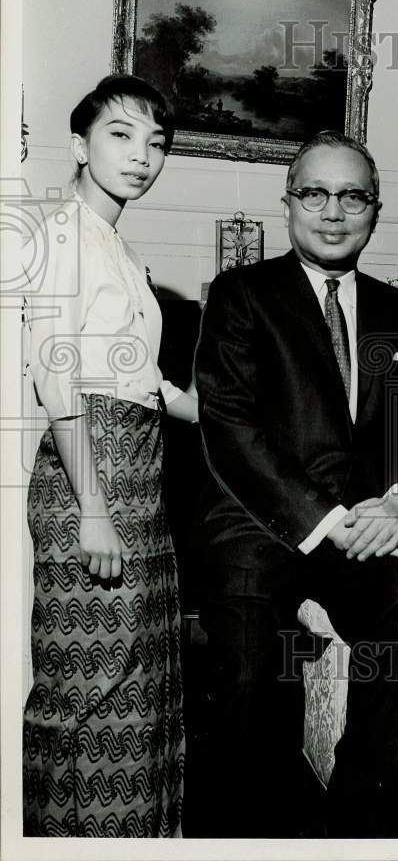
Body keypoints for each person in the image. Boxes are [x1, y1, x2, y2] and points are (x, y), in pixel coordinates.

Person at [193, 130, 398, 837]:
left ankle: (356, 830)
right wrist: (326, 518)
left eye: (351, 196)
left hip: (359, 534)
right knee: (246, 676)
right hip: (257, 524)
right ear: (289, 204)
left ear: (374, 209)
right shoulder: (241, 294)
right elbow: (230, 430)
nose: (332, 212)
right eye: (315, 193)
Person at [22, 76, 198, 837]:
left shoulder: (117, 244)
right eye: (121, 136)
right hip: (88, 476)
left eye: (155, 143)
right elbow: (56, 371)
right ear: (79, 145)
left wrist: (181, 401)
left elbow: (127, 370)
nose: (141, 156)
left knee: (140, 691)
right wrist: (92, 506)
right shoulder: (62, 230)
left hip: (139, 468)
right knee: (89, 697)